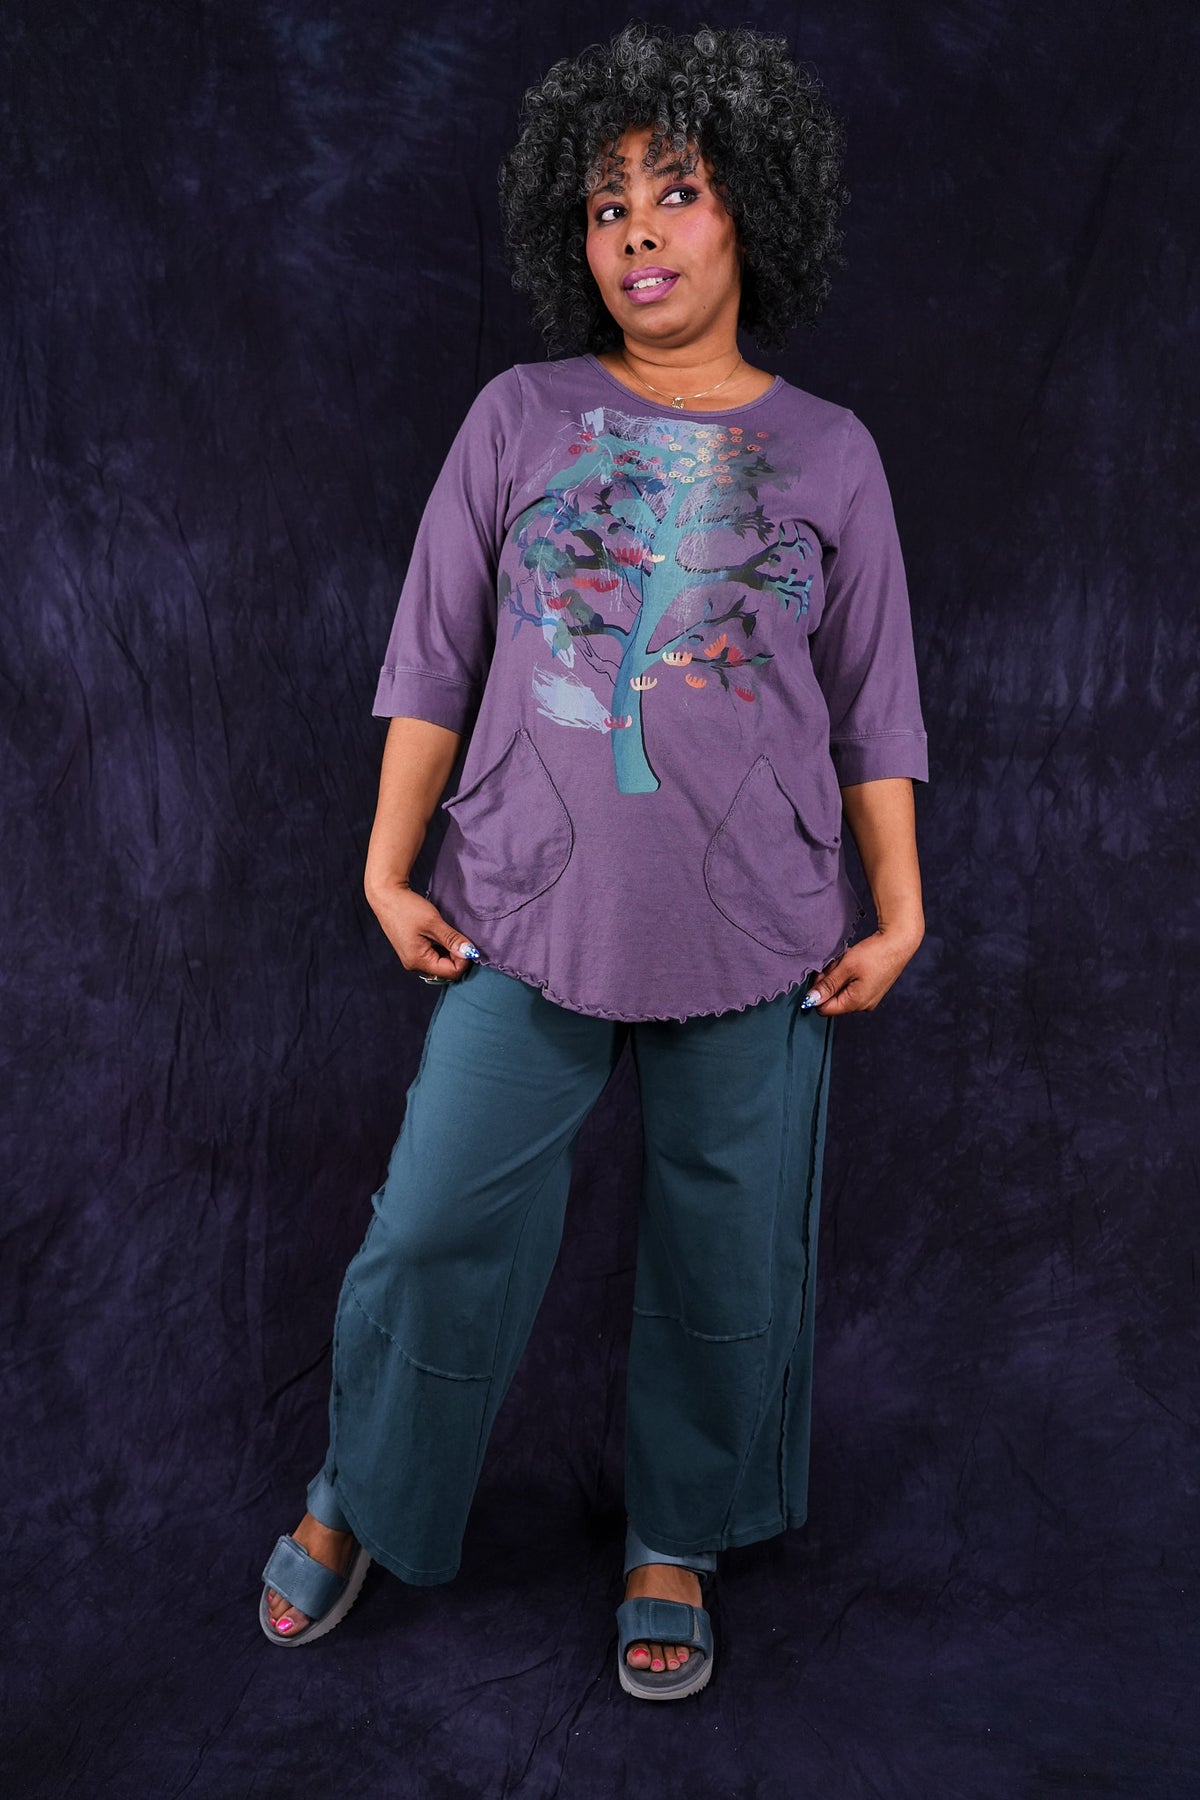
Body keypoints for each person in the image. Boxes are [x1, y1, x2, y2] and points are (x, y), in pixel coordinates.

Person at [258, 22, 927, 1701]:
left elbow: (875, 701)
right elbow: (433, 653)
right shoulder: (521, 415)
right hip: (526, 906)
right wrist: (387, 868)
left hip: (760, 923)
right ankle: (362, 1489)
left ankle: (675, 1535)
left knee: (727, 1253)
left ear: (749, 210)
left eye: (675, 192)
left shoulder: (832, 453)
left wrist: (900, 904)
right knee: (432, 1226)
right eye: (607, 202)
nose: (636, 230)